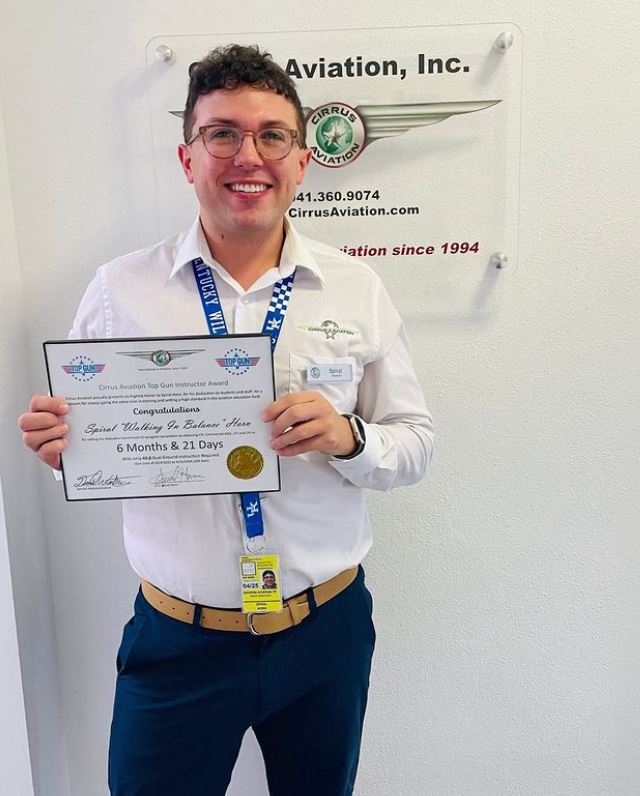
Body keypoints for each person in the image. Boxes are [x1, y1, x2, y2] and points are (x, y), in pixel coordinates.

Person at [18, 44, 434, 796]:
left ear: (302, 161)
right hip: (177, 639)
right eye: (223, 134)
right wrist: (59, 447)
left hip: (323, 634)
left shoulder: (356, 287)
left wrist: (351, 438)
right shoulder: (121, 291)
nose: (250, 155)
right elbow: (85, 440)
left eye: (272, 135)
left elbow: (415, 444)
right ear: (188, 157)